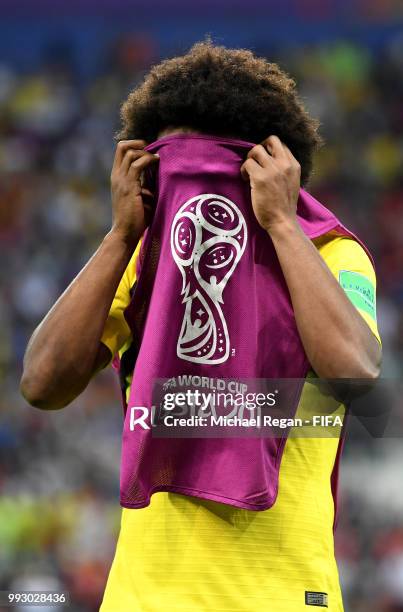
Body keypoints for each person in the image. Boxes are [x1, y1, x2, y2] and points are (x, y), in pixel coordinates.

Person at [21, 42, 381, 611]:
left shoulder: (331, 253)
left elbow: (356, 374)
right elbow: (43, 383)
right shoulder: (145, 258)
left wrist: (283, 225)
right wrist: (120, 237)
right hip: (142, 598)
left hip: (281, 596)